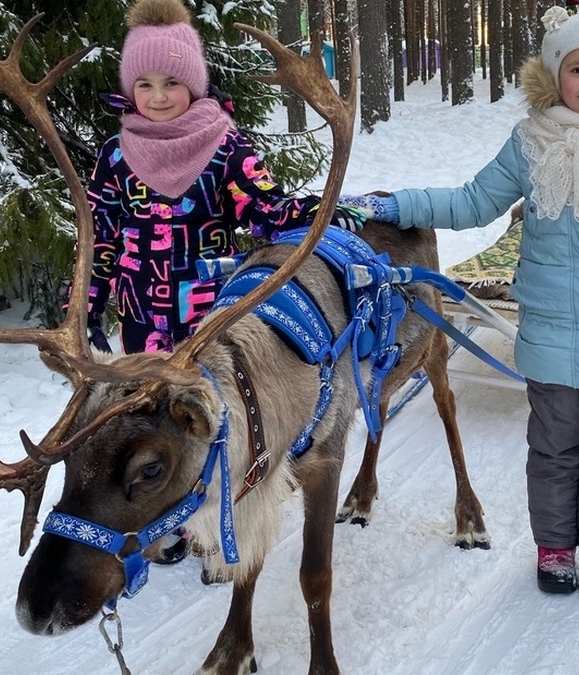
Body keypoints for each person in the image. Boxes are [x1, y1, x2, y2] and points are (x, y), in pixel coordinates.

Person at [341, 2, 579, 598]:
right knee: (553, 448)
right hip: (551, 335)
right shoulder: (531, 142)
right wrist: (396, 206)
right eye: (578, 69)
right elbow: (472, 201)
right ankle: (556, 547)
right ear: (555, 74)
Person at [69, 0, 362, 565]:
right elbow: (100, 237)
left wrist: (317, 213)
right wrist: (84, 304)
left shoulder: (224, 147)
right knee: (147, 422)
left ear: (195, 84)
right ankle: (163, 513)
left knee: (209, 419)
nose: (157, 97)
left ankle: (214, 510)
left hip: (210, 320)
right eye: (145, 84)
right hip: (141, 319)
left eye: (172, 82)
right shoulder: (115, 156)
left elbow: (262, 210)